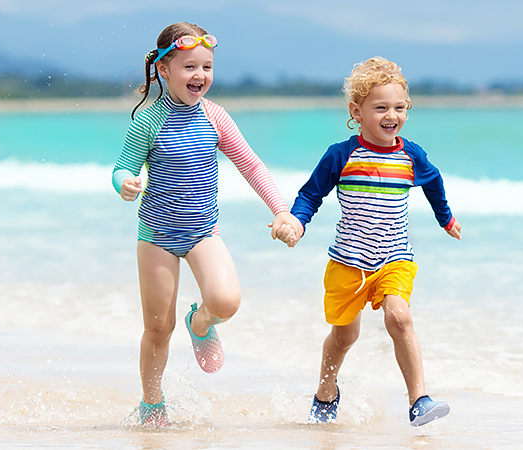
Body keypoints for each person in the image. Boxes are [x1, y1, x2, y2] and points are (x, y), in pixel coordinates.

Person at [112, 21, 302, 428]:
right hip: (157, 239)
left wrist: (281, 210)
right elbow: (123, 166)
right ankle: (151, 403)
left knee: (226, 302)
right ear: (164, 70)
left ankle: (200, 324)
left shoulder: (215, 117)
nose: (200, 76)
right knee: (157, 329)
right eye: (189, 67)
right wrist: (125, 184)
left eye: (207, 67)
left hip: (202, 233)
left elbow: (250, 164)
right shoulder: (149, 121)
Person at [276, 57, 461, 426]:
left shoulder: (412, 155)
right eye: (381, 107)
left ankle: (418, 400)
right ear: (356, 111)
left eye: (399, 107)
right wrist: (296, 223)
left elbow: (434, 183)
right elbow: (311, 194)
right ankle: (326, 390)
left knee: (400, 316)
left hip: (395, 258)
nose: (392, 115)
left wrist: (446, 218)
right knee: (344, 336)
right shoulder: (341, 155)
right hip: (347, 262)